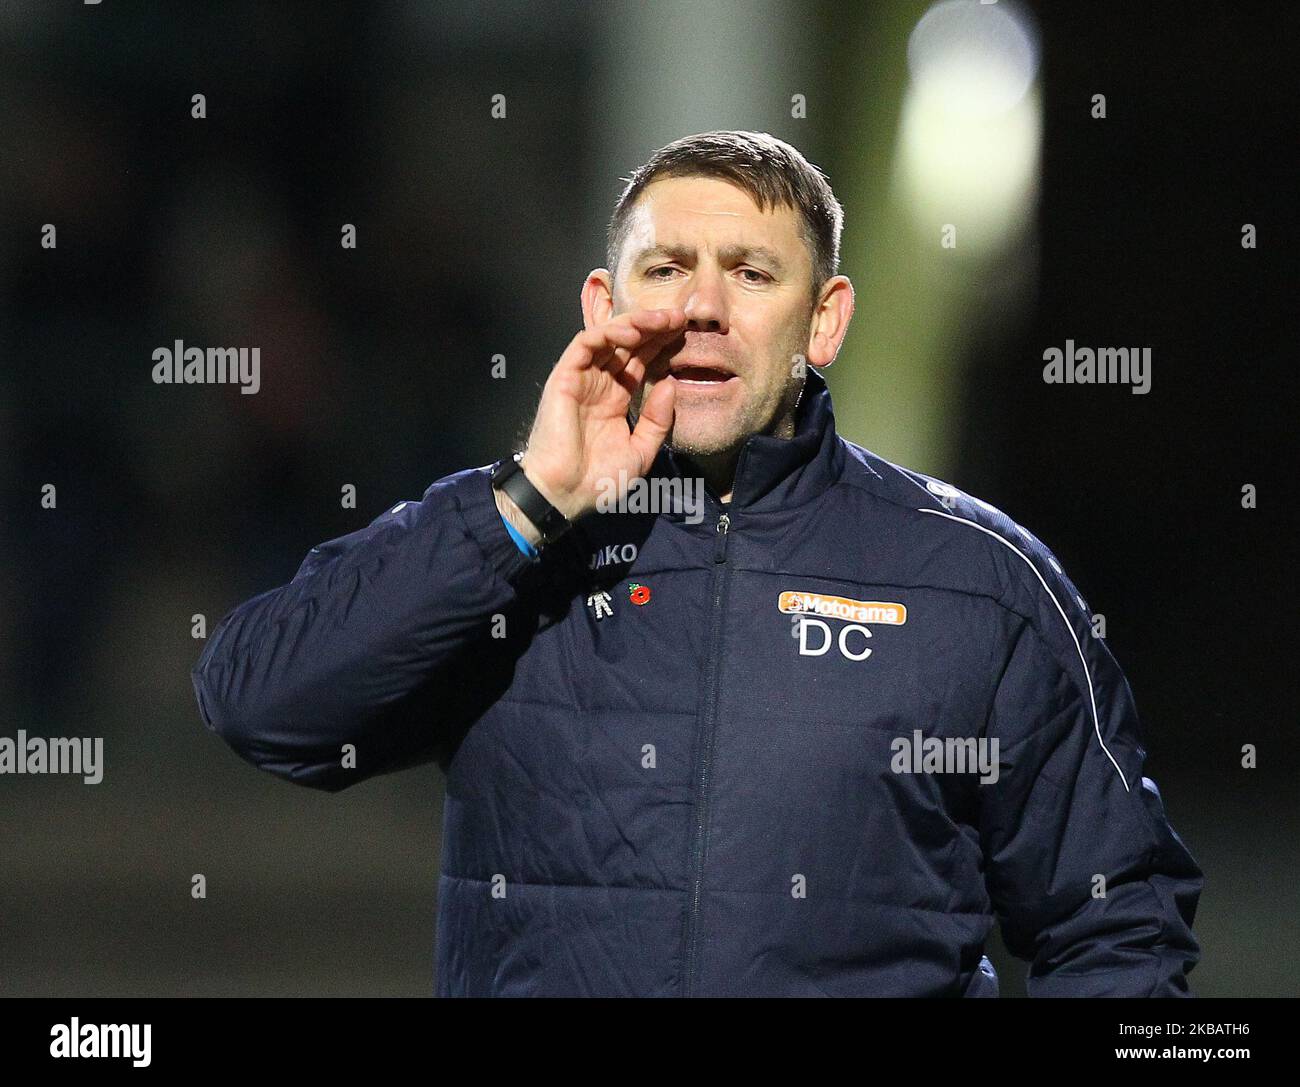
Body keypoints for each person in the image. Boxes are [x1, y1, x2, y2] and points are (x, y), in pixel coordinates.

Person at [192, 130, 1202, 997]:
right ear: (604, 304)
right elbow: (262, 705)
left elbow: (1115, 921)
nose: (704, 308)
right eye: (666, 268)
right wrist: (530, 499)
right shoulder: (508, 544)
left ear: (824, 320)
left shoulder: (978, 582)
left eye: (752, 273)